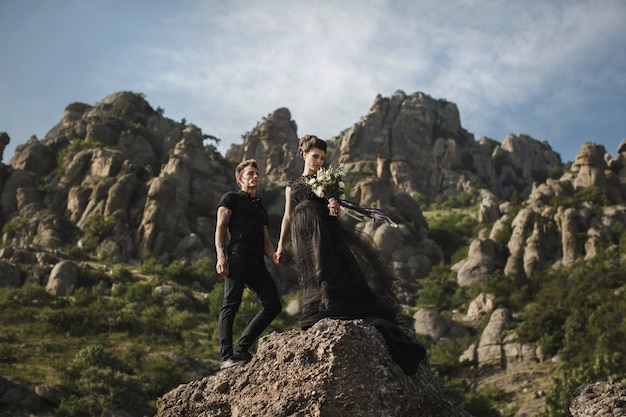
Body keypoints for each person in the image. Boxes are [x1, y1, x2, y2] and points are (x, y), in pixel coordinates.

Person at [275, 134, 400, 330]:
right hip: (301, 234)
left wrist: (334, 205)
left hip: (322, 230)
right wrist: (281, 244)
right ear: (304, 154)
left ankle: (331, 309)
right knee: (309, 271)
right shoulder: (291, 186)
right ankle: (314, 312)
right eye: (315, 156)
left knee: (324, 267)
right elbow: (287, 216)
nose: (319, 161)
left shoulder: (327, 181)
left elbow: (336, 214)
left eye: (322, 158)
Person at [215, 159, 282, 370]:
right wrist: (221, 256)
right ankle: (226, 357)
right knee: (231, 304)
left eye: (257, 173)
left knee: (273, 304)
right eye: (250, 173)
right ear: (240, 179)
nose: (255, 176)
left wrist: (274, 255)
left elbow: (266, 242)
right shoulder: (231, 199)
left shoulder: (260, 208)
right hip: (237, 256)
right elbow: (220, 228)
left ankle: (241, 349)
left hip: (257, 262)